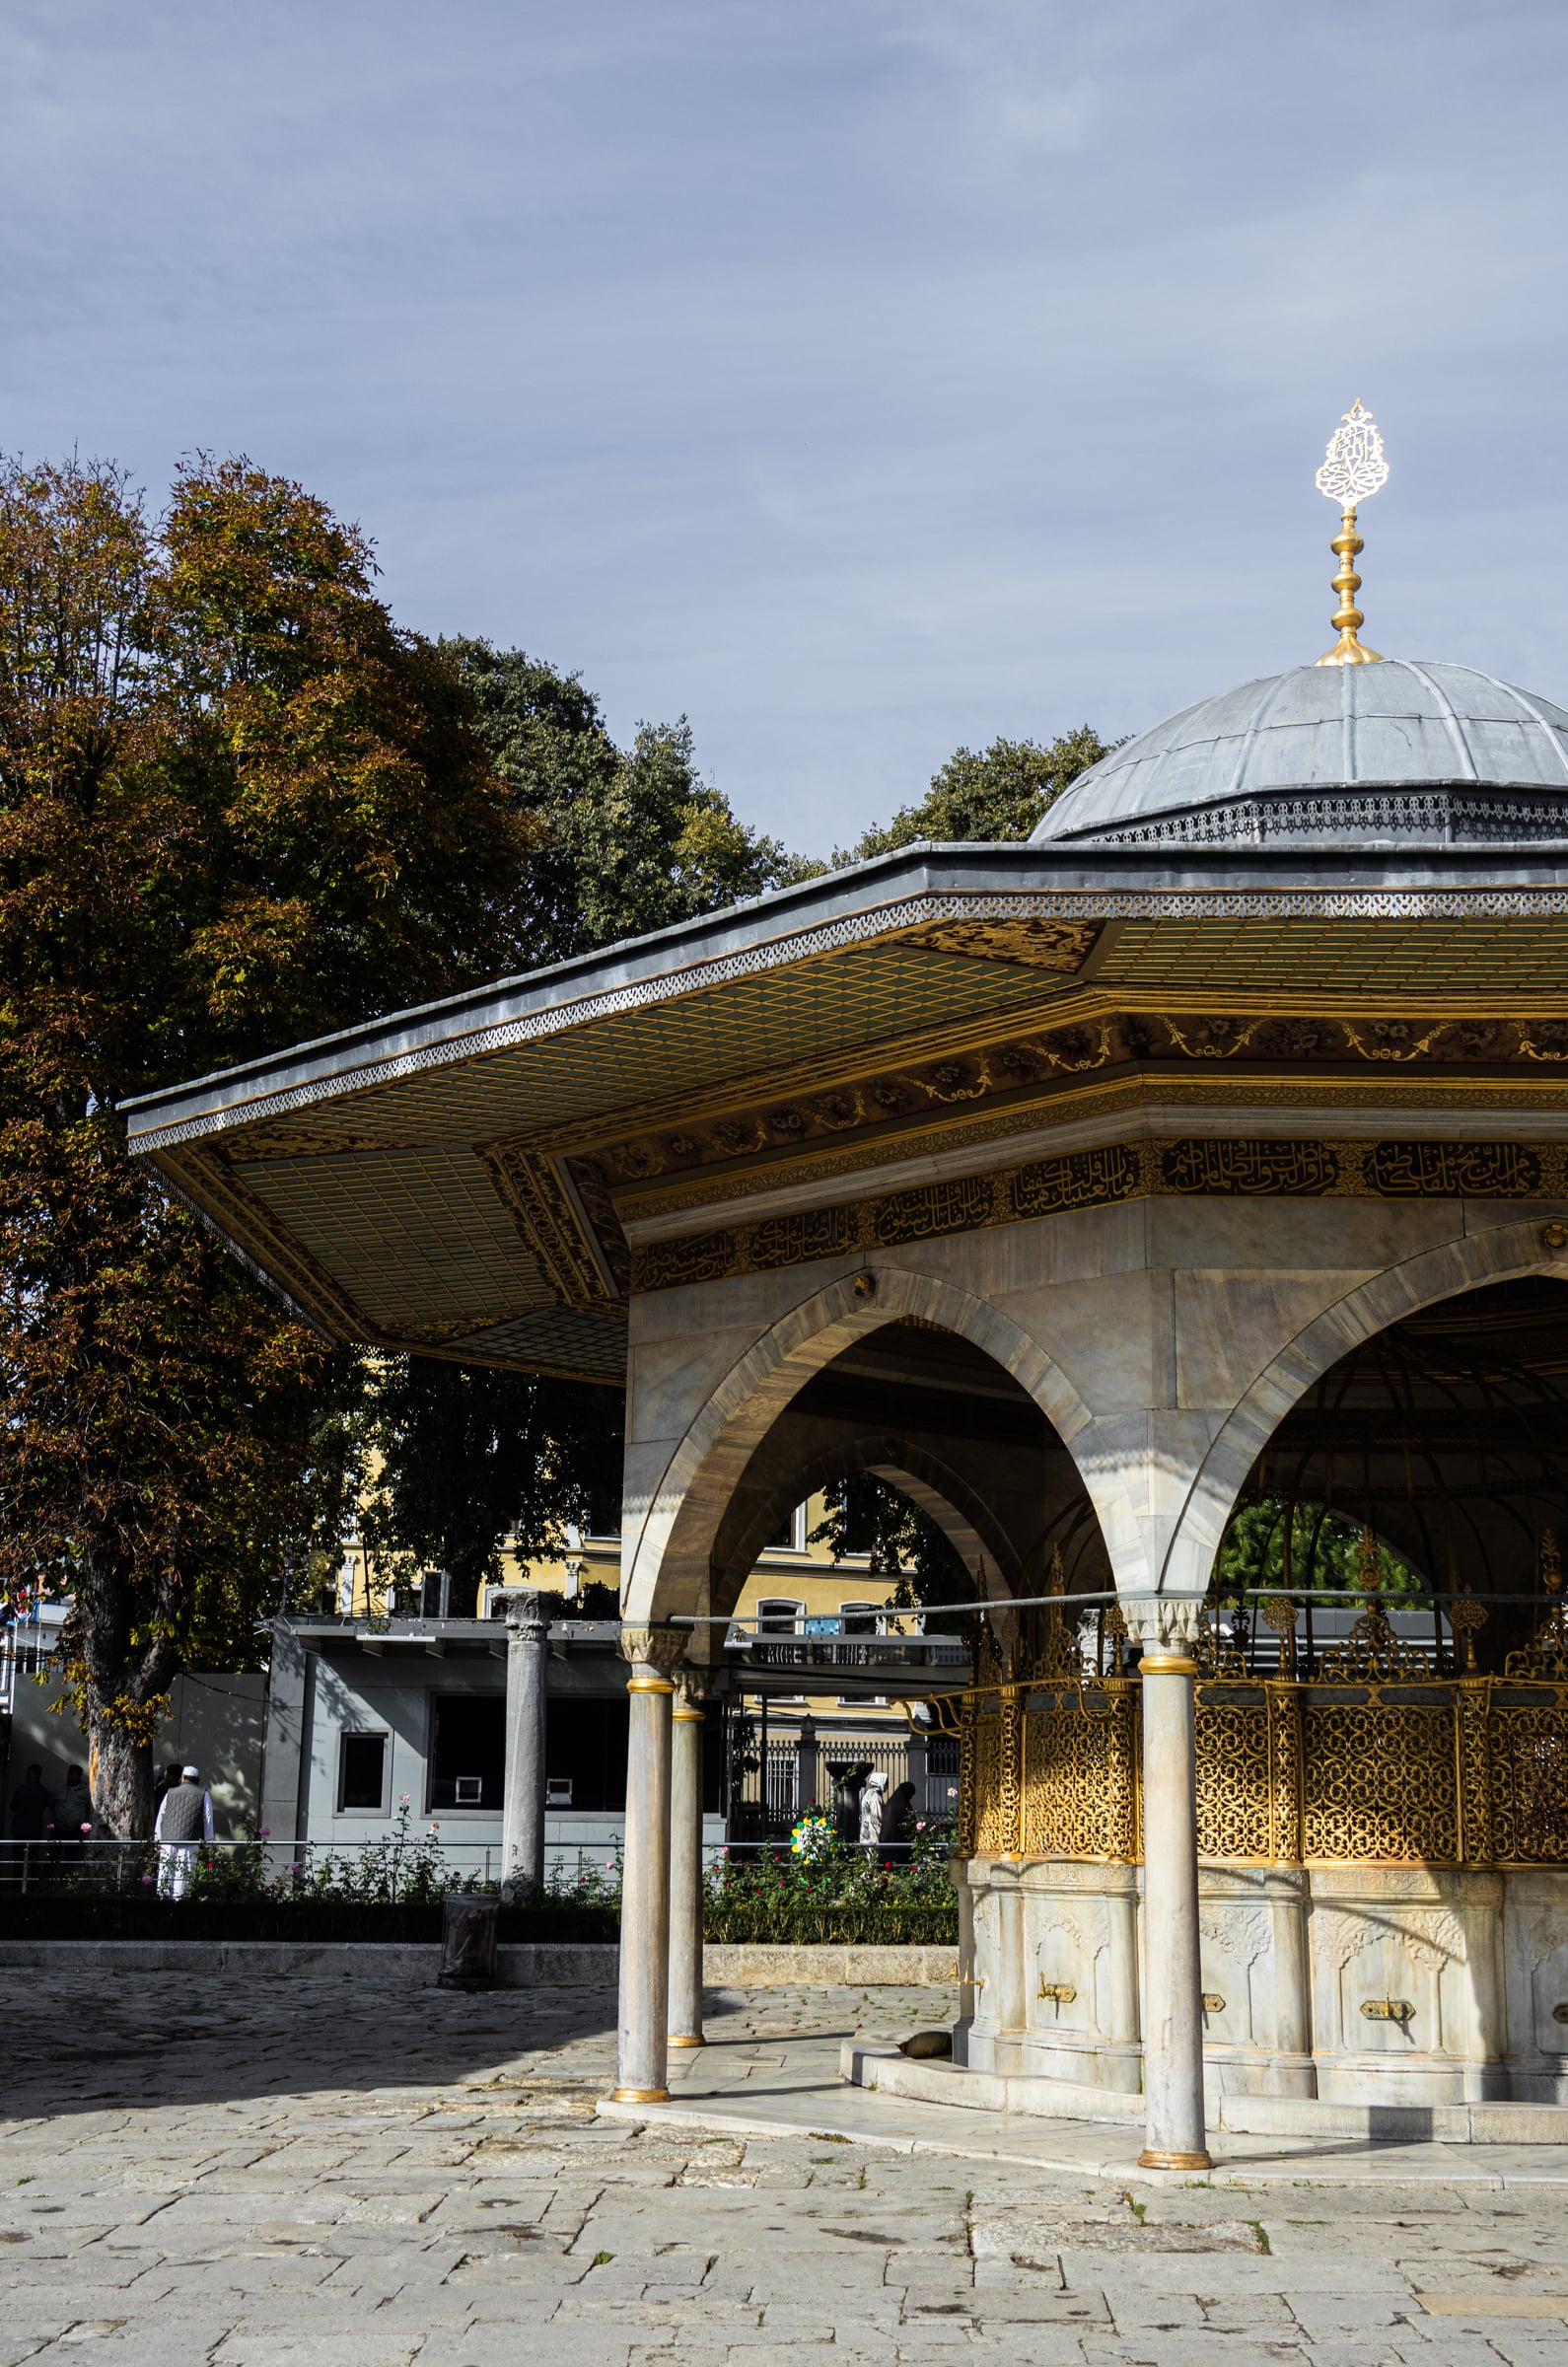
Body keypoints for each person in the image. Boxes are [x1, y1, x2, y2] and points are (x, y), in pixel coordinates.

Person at [154, 1764, 213, 1899]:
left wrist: (157, 1839)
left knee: (165, 1872)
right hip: (190, 1840)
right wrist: (208, 1843)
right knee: (184, 1875)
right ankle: (180, 1903)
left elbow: (161, 1816)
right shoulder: (204, 1793)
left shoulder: (170, 1793)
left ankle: (162, 1901)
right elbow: (207, 1819)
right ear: (197, 1779)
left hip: (167, 1840)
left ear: (183, 1777)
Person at [8, 1763, 52, 1840]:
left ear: (30, 1774)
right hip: (35, 1830)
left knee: (18, 1851)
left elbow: (12, 1807)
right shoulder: (45, 1792)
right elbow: (50, 1806)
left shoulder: (21, 1789)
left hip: (20, 1828)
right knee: (33, 1852)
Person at [879, 1779, 917, 1859]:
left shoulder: (891, 1802)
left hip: (885, 1842)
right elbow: (907, 1827)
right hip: (896, 1845)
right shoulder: (902, 1805)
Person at [54, 1765, 93, 1844]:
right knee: (54, 1853)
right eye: (70, 1775)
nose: (71, 1777)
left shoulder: (85, 1792)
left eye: (73, 1775)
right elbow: (52, 1804)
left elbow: (88, 1809)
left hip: (75, 1830)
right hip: (59, 1828)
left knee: (72, 1854)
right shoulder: (59, 1789)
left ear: (79, 1777)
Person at [858, 1767, 889, 1854]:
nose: (887, 1785)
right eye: (886, 1782)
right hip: (873, 1836)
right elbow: (877, 1817)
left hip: (865, 1834)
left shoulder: (868, 1794)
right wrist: (883, 1834)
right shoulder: (876, 1797)